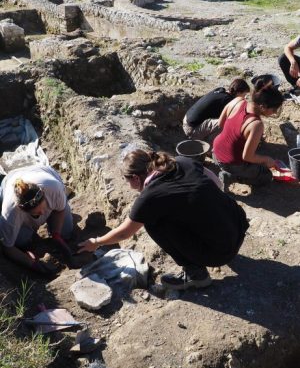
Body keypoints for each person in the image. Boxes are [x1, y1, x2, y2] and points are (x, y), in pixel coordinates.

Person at [78, 150, 248, 291]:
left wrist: (96, 242)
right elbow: (217, 184)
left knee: (153, 222)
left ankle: (196, 275)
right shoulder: (182, 161)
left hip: (220, 253)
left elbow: (124, 233)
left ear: (136, 178)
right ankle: (218, 240)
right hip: (238, 226)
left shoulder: (150, 197)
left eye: (127, 181)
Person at [213, 76, 284, 189]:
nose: (274, 112)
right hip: (230, 163)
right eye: (274, 109)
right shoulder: (256, 124)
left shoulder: (237, 100)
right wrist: (267, 160)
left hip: (215, 152)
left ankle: (228, 169)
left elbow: (221, 124)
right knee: (266, 176)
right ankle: (231, 177)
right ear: (263, 106)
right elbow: (247, 156)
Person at [0, 165, 73, 274]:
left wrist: (56, 234)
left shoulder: (53, 187)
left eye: (44, 208)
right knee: (22, 241)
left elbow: (60, 210)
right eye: (37, 213)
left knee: (66, 232)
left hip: (36, 171)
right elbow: (7, 247)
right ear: (22, 209)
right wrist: (31, 264)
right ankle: (30, 235)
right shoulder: (10, 213)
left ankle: (52, 214)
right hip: (8, 182)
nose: (43, 213)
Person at [183, 78, 250, 145]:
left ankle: (207, 137)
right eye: (244, 95)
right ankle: (210, 146)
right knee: (224, 123)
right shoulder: (227, 101)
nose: (244, 98)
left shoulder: (220, 90)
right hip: (191, 129)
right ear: (238, 93)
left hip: (186, 120)